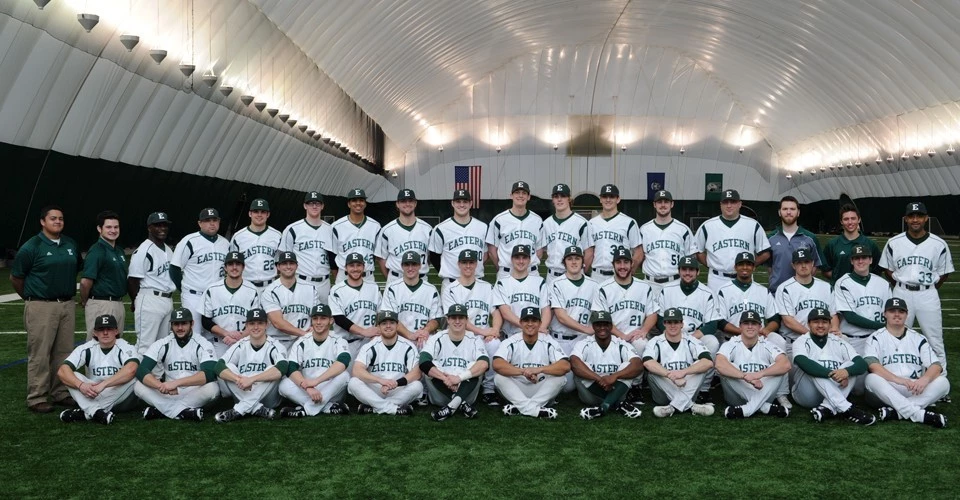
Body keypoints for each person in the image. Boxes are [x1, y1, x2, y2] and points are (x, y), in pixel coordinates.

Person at [11, 205, 82, 413]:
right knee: (40, 353)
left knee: (64, 352)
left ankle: (60, 392)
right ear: (43, 222)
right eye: (53, 218)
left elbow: (77, 265)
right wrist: (31, 298)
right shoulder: (31, 246)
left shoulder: (70, 243)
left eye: (60, 218)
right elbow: (16, 278)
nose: (58, 221)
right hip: (41, 305)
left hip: (66, 305)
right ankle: (37, 397)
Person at [879, 201, 954, 374]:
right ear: (906, 219)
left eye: (919, 216)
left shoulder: (939, 243)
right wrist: (900, 284)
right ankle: (905, 376)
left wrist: (929, 287)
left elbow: (944, 273)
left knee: (934, 339)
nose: (915, 219)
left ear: (926, 218)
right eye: (911, 216)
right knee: (899, 336)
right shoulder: (893, 242)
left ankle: (940, 380)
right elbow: (887, 269)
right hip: (901, 293)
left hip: (927, 294)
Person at [716, 251, 790, 407]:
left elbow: (775, 318)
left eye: (749, 264)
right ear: (735, 267)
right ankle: (760, 402)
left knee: (779, 341)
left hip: (760, 340)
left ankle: (781, 393)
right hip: (733, 340)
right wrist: (744, 332)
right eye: (741, 264)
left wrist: (767, 330)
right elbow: (720, 322)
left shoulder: (762, 290)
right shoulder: (724, 289)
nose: (745, 267)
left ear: (754, 268)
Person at [865, 298, 949, 428]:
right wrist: (898, 379)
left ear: (907, 314)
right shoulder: (876, 337)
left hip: (914, 387)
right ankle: (920, 415)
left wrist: (925, 379)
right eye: (892, 311)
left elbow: (936, 366)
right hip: (889, 386)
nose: (897, 314)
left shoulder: (918, 337)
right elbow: (872, 364)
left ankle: (897, 412)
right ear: (885, 314)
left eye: (901, 311)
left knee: (944, 382)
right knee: (871, 378)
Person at [791, 308, 875, 425]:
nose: (820, 325)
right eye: (816, 322)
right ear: (809, 324)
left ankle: (827, 408)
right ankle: (847, 409)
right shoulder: (801, 341)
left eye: (824, 322)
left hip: (832, 392)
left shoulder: (839, 341)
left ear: (830, 324)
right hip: (806, 394)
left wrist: (846, 372)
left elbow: (862, 364)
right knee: (814, 368)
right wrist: (833, 374)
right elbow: (803, 362)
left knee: (850, 365)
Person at [441, 249, 503, 406]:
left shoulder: (486, 286)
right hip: (460, 335)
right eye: (464, 262)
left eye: (471, 262)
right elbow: (458, 320)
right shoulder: (450, 289)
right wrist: (484, 331)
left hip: (483, 335)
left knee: (495, 343)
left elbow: (496, 312)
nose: (468, 266)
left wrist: (494, 330)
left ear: (476, 264)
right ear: (458, 264)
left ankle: (488, 390)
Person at [134, 308, 218, 421]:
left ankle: (162, 410)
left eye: (184, 323)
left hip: (194, 391)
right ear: (171, 325)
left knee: (212, 388)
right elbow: (142, 370)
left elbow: (209, 373)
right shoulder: (163, 343)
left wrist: (176, 383)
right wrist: (159, 386)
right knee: (138, 386)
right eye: (176, 324)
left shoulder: (203, 344)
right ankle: (184, 412)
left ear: (192, 324)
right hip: (168, 392)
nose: (180, 328)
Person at [657, 256, 721, 404]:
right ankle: (669, 383)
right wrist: (673, 336)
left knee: (712, 341)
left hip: (695, 337)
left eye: (691, 269)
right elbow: (660, 320)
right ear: (679, 271)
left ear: (698, 272)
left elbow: (712, 324)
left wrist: (690, 339)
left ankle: (704, 389)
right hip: (671, 335)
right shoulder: (667, 289)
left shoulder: (707, 293)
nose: (687, 272)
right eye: (684, 269)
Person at [57, 315, 138, 425]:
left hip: (119, 396)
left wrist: (104, 384)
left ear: (116, 331)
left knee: (136, 376)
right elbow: (62, 371)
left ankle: (87, 412)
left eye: (109, 329)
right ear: (94, 332)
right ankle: (96, 412)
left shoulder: (125, 346)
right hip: (93, 393)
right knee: (72, 375)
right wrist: (81, 385)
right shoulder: (87, 348)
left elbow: (132, 369)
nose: (105, 333)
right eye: (101, 329)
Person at [493, 307, 570, 419]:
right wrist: (523, 372)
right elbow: (497, 364)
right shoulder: (511, 341)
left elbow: (565, 365)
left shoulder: (548, 341)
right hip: (517, 388)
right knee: (499, 377)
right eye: (526, 321)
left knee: (561, 378)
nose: (530, 324)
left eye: (534, 320)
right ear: (520, 323)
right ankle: (535, 409)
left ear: (540, 323)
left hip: (539, 387)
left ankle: (522, 407)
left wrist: (539, 369)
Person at [277, 304, 352, 417]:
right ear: (311, 321)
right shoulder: (302, 342)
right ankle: (327, 407)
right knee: (283, 384)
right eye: (315, 318)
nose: (318, 322)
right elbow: (291, 368)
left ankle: (307, 410)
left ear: (331, 320)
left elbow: (343, 362)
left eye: (323, 318)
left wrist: (317, 381)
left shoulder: (338, 340)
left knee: (345, 375)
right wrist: (307, 387)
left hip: (331, 390)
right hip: (308, 391)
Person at [214, 308, 288, 423]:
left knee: (272, 369)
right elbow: (219, 366)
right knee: (229, 367)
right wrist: (238, 379)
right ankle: (257, 408)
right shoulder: (241, 344)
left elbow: (283, 368)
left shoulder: (275, 345)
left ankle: (239, 409)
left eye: (260, 323)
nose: (256, 327)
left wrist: (252, 380)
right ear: (247, 326)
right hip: (243, 391)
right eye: (252, 323)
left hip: (268, 398)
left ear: (267, 325)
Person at [715, 311, 791, 419]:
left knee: (777, 368)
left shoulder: (767, 344)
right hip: (736, 397)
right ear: (740, 326)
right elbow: (719, 364)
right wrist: (745, 376)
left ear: (760, 326)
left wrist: (759, 374)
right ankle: (764, 407)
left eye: (754, 323)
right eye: (746, 323)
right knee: (728, 368)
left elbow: (786, 365)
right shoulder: (731, 344)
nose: (750, 327)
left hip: (763, 391)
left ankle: (747, 410)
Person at [420, 304, 489, 421]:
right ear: (448, 320)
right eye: (453, 318)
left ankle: (451, 407)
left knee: (476, 367)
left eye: (461, 318)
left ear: (466, 320)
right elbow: (423, 361)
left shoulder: (475, 339)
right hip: (440, 394)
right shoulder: (437, 338)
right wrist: (445, 378)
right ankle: (461, 405)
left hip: (466, 392)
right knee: (432, 367)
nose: (457, 321)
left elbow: (484, 364)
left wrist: (459, 378)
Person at [692, 189, 771, 292]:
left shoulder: (753, 225)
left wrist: (747, 266)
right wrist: (710, 264)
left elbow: (765, 253)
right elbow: (697, 251)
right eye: (725, 202)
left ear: (739, 204)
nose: (729, 206)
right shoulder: (708, 226)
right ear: (720, 205)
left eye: (733, 202)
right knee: (717, 308)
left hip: (744, 279)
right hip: (717, 279)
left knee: (743, 307)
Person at [570, 311, 644, 420]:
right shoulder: (584, 343)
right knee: (581, 366)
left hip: (616, 388)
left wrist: (614, 376)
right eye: (598, 325)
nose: (602, 328)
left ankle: (604, 407)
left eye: (605, 324)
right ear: (593, 326)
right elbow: (574, 363)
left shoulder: (621, 344)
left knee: (627, 366)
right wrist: (599, 379)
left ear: (611, 326)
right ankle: (616, 404)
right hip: (591, 395)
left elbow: (638, 365)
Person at [642, 308, 715, 417]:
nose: (672, 325)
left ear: (682, 324)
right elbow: (647, 362)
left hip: (686, 386)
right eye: (669, 322)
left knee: (700, 367)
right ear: (664, 324)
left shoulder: (691, 340)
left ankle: (673, 407)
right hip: (663, 393)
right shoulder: (655, 341)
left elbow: (708, 362)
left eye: (676, 322)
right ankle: (691, 406)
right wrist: (670, 375)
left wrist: (683, 372)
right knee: (653, 372)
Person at [347, 311, 423, 416]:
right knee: (353, 382)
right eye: (384, 323)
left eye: (391, 322)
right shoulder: (370, 346)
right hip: (375, 388)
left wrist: (396, 383)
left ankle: (375, 407)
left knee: (417, 385)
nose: (388, 326)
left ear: (397, 325)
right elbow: (357, 370)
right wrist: (380, 381)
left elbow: (417, 373)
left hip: (397, 388)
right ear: (378, 326)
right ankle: (393, 408)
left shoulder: (408, 346)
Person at [170, 208, 230, 336]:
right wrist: (184, 288)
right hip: (194, 296)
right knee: (193, 334)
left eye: (215, 220)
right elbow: (174, 268)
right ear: (200, 223)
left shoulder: (225, 243)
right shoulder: (189, 241)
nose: (212, 223)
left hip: (216, 297)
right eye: (207, 221)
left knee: (215, 334)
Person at [592, 246, 660, 356]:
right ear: (613, 264)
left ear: (632, 263)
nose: (622, 266)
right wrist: (623, 336)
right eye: (618, 262)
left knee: (641, 344)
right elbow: (602, 320)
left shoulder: (644, 287)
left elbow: (652, 314)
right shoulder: (603, 288)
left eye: (626, 262)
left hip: (636, 337)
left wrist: (644, 330)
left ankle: (643, 373)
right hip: (611, 337)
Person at [128, 211, 175, 355]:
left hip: (167, 300)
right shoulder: (143, 250)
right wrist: (136, 301)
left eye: (164, 225)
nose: (162, 228)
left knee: (163, 345)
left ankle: (157, 377)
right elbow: (133, 280)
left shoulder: (167, 249)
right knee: (145, 346)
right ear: (149, 228)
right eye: (157, 225)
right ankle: (141, 377)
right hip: (149, 299)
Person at [833, 244, 891, 356]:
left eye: (864, 257)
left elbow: (889, 311)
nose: (860, 261)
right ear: (851, 261)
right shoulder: (842, 283)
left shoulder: (883, 284)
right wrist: (884, 327)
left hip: (878, 339)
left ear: (870, 260)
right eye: (857, 258)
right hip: (854, 340)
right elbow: (850, 317)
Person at [428, 188, 489, 295]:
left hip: (477, 283)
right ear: (452, 203)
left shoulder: (482, 227)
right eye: (458, 201)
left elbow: (485, 254)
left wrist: (470, 268)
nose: (461, 205)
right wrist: (449, 271)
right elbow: (434, 257)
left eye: (465, 202)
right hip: (452, 283)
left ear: (470, 204)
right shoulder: (441, 229)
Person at [201, 251, 261, 358]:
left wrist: (240, 335)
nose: (234, 267)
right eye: (230, 264)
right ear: (225, 267)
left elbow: (256, 321)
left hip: (245, 341)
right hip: (219, 342)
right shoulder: (212, 289)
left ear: (243, 267)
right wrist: (225, 333)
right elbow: (205, 321)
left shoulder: (252, 290)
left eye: (238, 264)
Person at [774, 248, 833, 356]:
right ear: (793, 265)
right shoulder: (784, 288)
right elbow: (788, 321)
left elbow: (833, 315)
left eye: (806, 262)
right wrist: (813, 334)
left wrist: (833, 330)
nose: (803, 266)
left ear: (812, 264)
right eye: (799, 263)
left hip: (823, 341)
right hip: (795, 342)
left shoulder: (826, 287)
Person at [280, 191, 337, 302]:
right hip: (301, 281)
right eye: (311, 203)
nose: (314, 206)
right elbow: (283, 261)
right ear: (305, 205)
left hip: (324, 283)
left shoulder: (330, 230)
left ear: (322, 206)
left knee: (324, 317)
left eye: (317, 203)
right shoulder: (292, 229)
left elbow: (334, 260)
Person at [79, 210, 127, 341]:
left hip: (117, 302)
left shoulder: (119, 250)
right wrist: (85, 301)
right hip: (102, 303)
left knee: (116, 345)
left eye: (116, 227)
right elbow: (85, 282)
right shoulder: (97, 251)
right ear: (99, 229)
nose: (113, 230)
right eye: (108, 227)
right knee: (97, 346)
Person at [766, 196, 826, 293]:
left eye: (792, 209)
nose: (789, 212)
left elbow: (815, 265)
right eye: (785, 209)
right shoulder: (770, 238)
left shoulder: (810, 238)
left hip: (802, 293)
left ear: (798, 212)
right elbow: (770, 267)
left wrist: (804, 283)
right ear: (779, 212)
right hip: (776, 293)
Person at [382, 250, 442, 349]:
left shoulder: (431, 290)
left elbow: (436, 319)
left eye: (414, 264)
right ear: (402, 266)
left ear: (419, 266)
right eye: (407, 264)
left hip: (423, 341)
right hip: (399, 340)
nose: (410, 268)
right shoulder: (392, 288)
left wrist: (426, 330)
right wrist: (410, 335)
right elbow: (389, 318)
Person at [549, 246, 601, 358]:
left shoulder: (594, 285)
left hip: (583, 340)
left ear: (583, 262)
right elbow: (561, 317)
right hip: (561, 340)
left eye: (577, 258)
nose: (573, 262)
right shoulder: (556, 284)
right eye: (569, 259)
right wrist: (587, 330)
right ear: (564, 263)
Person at [261, 251, 319, 350]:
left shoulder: (310, 288)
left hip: (304, 341)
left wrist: (315, 326)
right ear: (278, 267)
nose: (288, 267)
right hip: (278, 342)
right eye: (284, 264)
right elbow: (278, 323)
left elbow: (318, 315)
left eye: (291, 263)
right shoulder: (269, 291)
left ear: (297, 266)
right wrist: (304, 334)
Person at [486, 180, 544, 280]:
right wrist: (501, 267)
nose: (520, 196)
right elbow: (492, 251)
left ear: (529, 197)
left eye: (524, 193)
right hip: (507, 273)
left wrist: (526, 266)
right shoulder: (499, 220)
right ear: (511, 195)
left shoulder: (537, 220)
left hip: (531, 273)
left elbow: (539, 251)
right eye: (517, 192)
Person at [329, 252, 383, 358]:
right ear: (345, 268)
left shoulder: (374, 288)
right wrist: (363, 331)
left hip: (370, 342)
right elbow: (339, 318)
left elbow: (381, 314)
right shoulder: (337, 290)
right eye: (351, 265)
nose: (355, 269)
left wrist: (377, 330)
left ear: (363, 267)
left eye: (358, 265)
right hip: (346, 343)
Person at [638, 190, 693, 294]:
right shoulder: (644, 230)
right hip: (650, 284)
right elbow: (640, 257)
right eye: (659, 202)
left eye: (666, 202)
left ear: (672, 204)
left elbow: (690, 258)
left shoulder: (683, 229)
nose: (663, 205)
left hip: (675, 283)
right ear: (654, 204)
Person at [541, 183, 593, 291]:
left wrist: (579, 271)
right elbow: (543, 251)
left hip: (573, 276)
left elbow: (589, 253)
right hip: (551, 277)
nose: (559, 200)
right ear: (552, 200)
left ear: (569, 199)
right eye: (556, 196)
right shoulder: (546, 223)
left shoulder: (581, 223)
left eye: (563, 196)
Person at [493, 244, 551, 337]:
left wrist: (540, 328)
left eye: (524, 258)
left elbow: (546, 310)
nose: (521, 261)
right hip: (512, 335)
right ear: (512, 260)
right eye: (517, 258)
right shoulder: (501, 283)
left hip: (537, 334)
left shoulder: (540, 282)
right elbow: (505, 313)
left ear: (529, 260)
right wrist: (529, 328)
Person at [376, 189, 432, 286]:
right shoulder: (387, 230)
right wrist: (391, 277)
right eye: (403, 201)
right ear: (397, 204)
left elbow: (431, 257)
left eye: (410, 201)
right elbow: (381, 259)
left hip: (421, 280)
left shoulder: (427, 229)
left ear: (415, 203)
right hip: (396, 280)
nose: (407, 204)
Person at [587, 184, 642, 277]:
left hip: (619, 275)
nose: (608, 200)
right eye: (605, 197)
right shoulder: (592, 223)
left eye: (612, 197)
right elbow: (589, 252)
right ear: (600, 199)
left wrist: (629, 273)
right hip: (596, 275)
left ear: (618, 199)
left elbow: (639, 252)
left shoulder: (629, 222)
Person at [230, 198, 281, 293]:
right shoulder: (238, 236)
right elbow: (232, 264)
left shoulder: (277, 235)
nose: (259, 215)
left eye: (263, 212)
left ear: (268, 214)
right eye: (256, 211)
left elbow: (281, 264)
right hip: (245, 286)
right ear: (250, 214)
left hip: (270, 286)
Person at [332, 188, 381, 285]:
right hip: (344, 276)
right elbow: (332, 256)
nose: (358, 203)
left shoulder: (375, 226)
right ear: (349, 204)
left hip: (367, 276)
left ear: (365, 203)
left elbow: (378, 255)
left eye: (361, 200)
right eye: (354, 200)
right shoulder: (336, 226)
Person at [822, 203, 881, 283]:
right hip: (840, 292)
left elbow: (877, 270)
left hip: (863, 291)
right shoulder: (832, 244)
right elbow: (826, 270)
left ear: (859, 220)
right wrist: (840, 281)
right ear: (841, 221)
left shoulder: (870, 244)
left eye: (853, 218)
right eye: (846, 219)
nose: (850, 222)